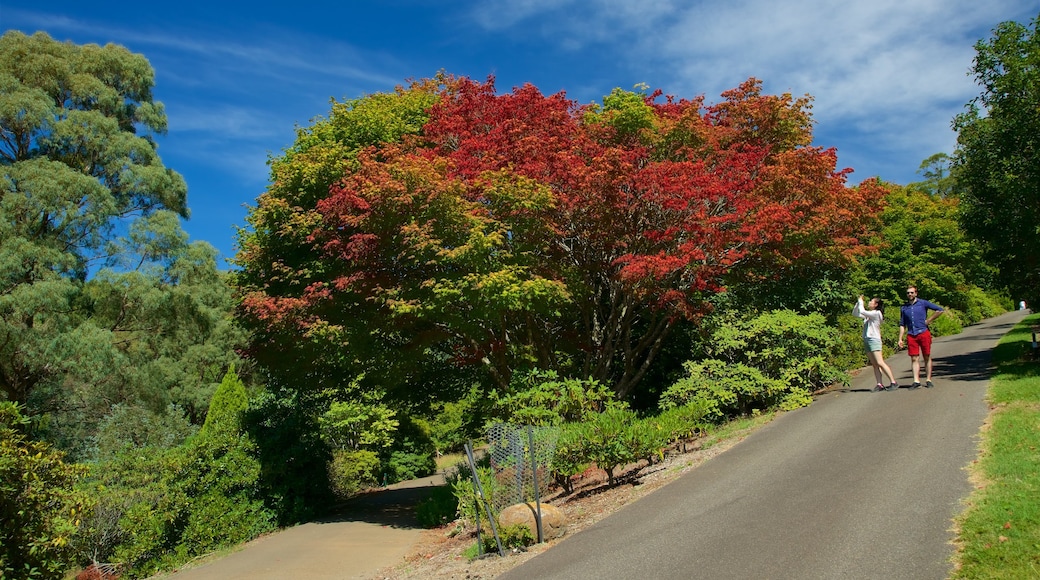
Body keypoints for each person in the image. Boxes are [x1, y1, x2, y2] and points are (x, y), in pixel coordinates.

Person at [897, 286, 944, 389]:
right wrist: (900, 338)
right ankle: (916, 381)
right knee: (914, 358)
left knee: (926, 355)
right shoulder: (904, 308)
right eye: (908, 293)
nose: (910, 294)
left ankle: (928, 379)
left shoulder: (923, 303)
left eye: (912, 292)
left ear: (916, 293)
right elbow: (902, 324)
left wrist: (929, 320)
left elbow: (940, 310)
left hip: (923, 332)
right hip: (911, 334)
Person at [853, 295, 898, 392]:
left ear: (876, 304)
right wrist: (858, 303)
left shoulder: (877, 313)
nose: (869, 302)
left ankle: (893, 382)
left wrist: (861, 302)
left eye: (871, 301)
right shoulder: (869, 315)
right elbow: (855, 314)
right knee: (874, 364)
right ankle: (879, 384)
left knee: (880, 362)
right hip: (867, 340)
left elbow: (863, 311)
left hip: (874, 340)